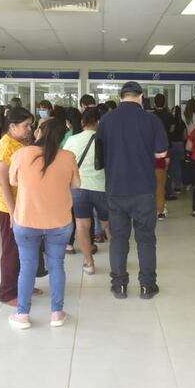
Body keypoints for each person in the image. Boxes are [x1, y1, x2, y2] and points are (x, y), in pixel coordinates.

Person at [98, 81, 168, 300]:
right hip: (144, 190)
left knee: (118, 239)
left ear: (121, 97)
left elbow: (99, 156)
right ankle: (147, 286)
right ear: (140, 97)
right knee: (146, 239)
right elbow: (161, 153)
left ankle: (119, 286)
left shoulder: (106, 120)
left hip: (116, 189)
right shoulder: (151, 119)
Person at [8, 118, 80, 329]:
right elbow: (76, 184)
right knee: (57, 265)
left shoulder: (22, 154)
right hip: (59, 222)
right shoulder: (68, 157)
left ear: (39, 133)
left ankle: (22, 315)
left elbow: (13, 181)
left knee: (27, 267)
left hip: (26, 219)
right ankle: (57, 314)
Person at [0, 107, 35, 306]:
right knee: (12, 249)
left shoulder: (19, 142)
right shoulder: (5, 147)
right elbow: (3, 183)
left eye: (31, 125)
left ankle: (23, 284)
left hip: (21, 205)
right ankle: (7, 293)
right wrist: (12, 213)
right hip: (7, 207)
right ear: (12, 126)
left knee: (23, 248)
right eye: (26, 126)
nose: (29, 129)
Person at [63, 107, 110, 275]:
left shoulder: (72, 140)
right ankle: (117, 261)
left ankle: (89, 263)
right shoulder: (106, 140)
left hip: (78, 188)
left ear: (83, 122)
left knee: (82, 226)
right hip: (102, 188)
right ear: (99, 122)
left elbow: (65, 164)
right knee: (108, 225)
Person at [152, 94, 174, 205]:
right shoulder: (169, 115)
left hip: (153, 147)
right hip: (167, 146)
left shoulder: (151, 116)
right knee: (167, 171)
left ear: (154, 103)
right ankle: (167, 193)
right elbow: (172, 130)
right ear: (164, 103)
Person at [168, 105, 187, 195]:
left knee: (171, 166)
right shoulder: (182, 123)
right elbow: (185, 136)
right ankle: (178, 186)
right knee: (178, 166)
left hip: (172, 145)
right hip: (180, 145)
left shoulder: (172, 122)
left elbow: (170, 132)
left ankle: (173, 186)